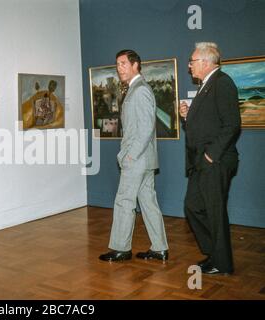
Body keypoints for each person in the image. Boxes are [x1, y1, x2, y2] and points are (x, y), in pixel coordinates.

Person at [99, 49, 169, 263]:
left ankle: (121, 248)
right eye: (117, 64)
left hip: (137, 159)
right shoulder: (136, 89)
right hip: (144, 159)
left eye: (123, 64)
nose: (119, 68)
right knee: (148, 202)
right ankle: (159, 248)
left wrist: (130, 156)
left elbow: (147, 127)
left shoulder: (140, 90)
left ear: (135, 65)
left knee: (123, 201)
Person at [179, 42, 241, 275]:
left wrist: (210, 155)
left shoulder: (222, 83)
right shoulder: (207, 85)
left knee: (214, 212)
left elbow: (232, 125)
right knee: (193, 206)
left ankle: (222, 263)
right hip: (201, 162)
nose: (189, 65)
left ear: (205, 62)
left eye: (192, 61)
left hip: (215, 161)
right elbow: (208, 125)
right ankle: (214, 253)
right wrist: (187, 117)